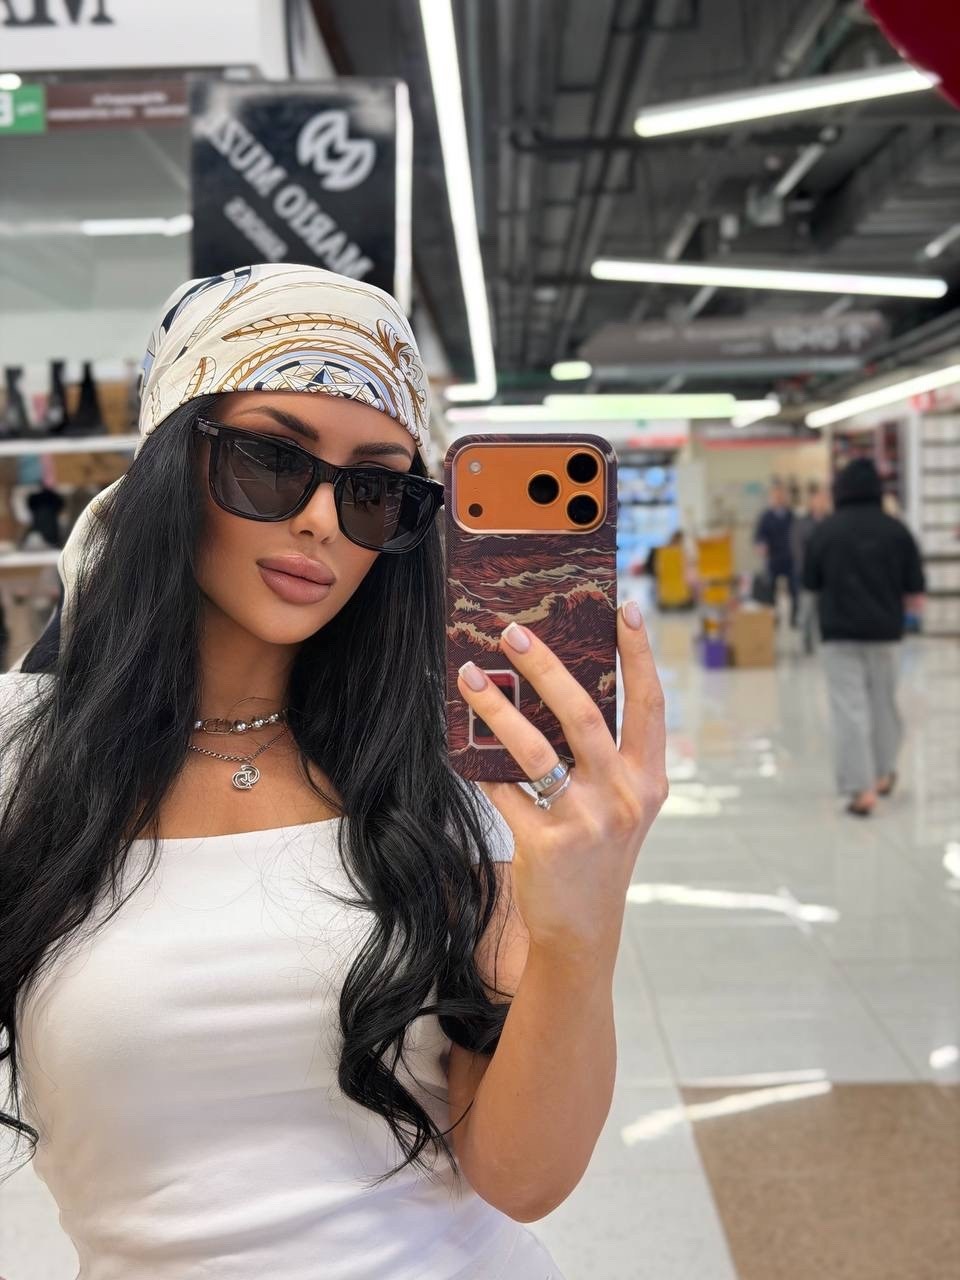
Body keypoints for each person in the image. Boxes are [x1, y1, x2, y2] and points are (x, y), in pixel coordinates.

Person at [0, 263, 668, 1279]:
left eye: (373, 488)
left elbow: (522, 1176)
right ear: (172, 461)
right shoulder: (23, 756)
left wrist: (581, 933)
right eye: (272, 460)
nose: (320, 519)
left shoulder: (451, 771)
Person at [802, 457, 925, 817]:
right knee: (884, 704)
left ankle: (860, 790)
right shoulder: (897, 530)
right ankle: (884, 773)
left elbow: (810, 583)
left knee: (849, 709)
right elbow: (915, 589)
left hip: (839, 635)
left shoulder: (826, 531)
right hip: (886, 634)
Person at [791, 482, 830, 654]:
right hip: (807, 575)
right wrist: (805, 570)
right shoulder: (801, 523)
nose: (821, 503)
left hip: (828, 575)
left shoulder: (832, 522)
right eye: (818, 499)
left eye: (824, 499)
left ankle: (824, 640)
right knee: (807, 610)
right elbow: (797, 548)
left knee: (825, 610)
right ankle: (806, 643)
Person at [754, 480, 798, 624]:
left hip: (790, 557)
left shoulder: (792, 516)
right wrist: (761, 545)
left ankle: (794, 617)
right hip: (773, 557)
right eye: (776, 496)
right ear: (771, 497)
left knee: (794, 588)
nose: (779, 498)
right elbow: (759, 536)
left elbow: (798, 534)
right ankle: (773, 617)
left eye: (781, 495)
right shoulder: (766, 517)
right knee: (770, 589)